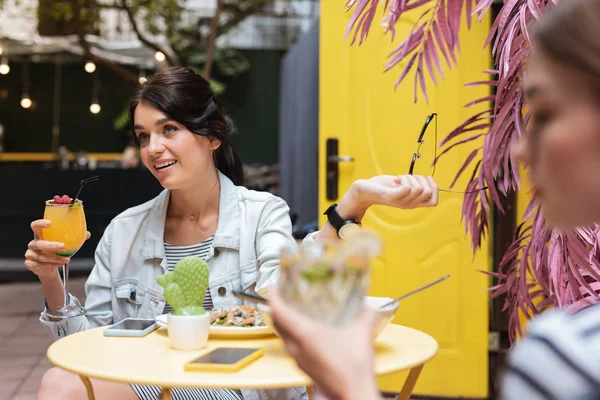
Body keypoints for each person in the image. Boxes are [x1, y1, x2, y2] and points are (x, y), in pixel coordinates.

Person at [24, 66, 439, 400]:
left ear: (213, 137)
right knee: (62, 384)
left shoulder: (261, 214)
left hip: (237, 385)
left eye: (169, 130)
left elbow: (289, 291)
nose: (153, 148)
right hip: (151, 384)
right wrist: (50, 278)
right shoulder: (124, 231)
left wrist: (353, 203)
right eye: (143, 136)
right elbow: (90, 349)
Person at [270, 0, 600, 398]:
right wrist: (355, 200)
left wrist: (351, 383)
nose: (517, 152)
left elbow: (286, 295)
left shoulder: (567, 359)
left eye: (545, 113)